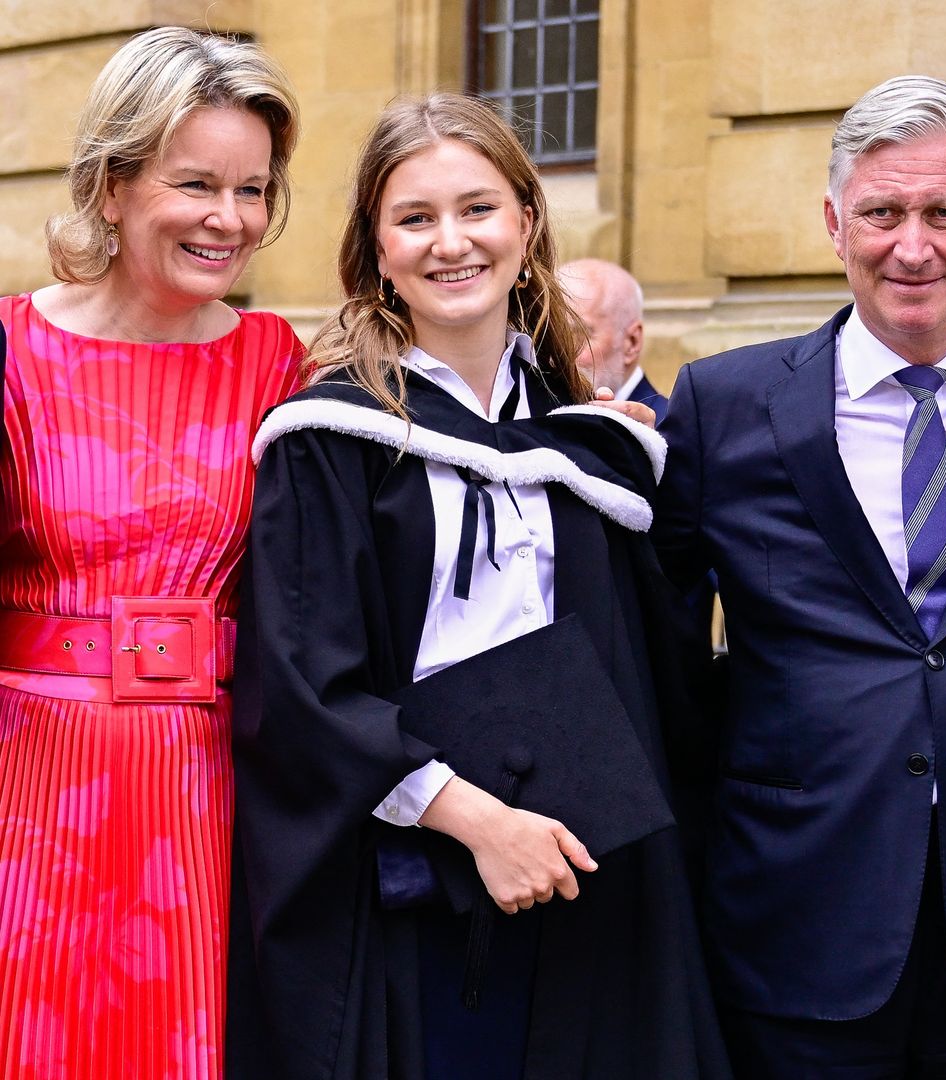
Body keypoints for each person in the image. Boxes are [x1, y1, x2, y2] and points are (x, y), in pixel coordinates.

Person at [227, 92, 729, 1080]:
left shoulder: (599, 450)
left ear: (528, 223)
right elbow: (301, 686)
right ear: (375, 248)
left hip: (588, 877)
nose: (449, 243)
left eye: (478, 209)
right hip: (402, 877)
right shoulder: (332, 440)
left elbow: (659, 675)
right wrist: (478, 822)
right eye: (414, 218)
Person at [654, 74, 946, 1077]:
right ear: (836, 223)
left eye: (945, 213)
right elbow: (661, 654)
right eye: (883, 213)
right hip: (795, 916)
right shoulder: (723, 407)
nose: (914, 246)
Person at [0, 27, 302, 1080]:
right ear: (114, 182)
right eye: (196, 184)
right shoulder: (11, 350)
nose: (230, 219)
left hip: (213, 799)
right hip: (30, 799)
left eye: (253, 190)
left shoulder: (283, 367)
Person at [559, 257, 668, 421]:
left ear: (632, 342)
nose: (555, 356)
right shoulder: (528, 418)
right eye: (548, 337)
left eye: (577, 337)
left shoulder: (671, 434)